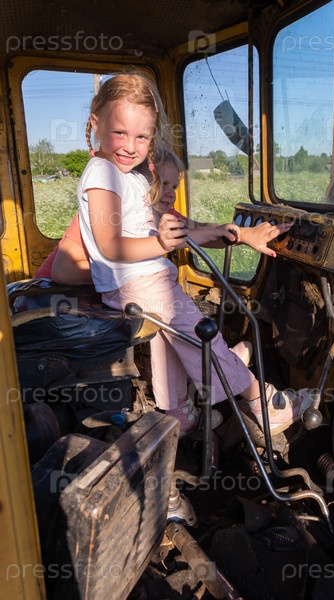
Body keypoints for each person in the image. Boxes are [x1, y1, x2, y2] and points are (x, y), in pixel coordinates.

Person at [52, 71, 314, 436]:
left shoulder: (131, 177)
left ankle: (179, 413)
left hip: (141, 284)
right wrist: (161, 245)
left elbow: (181, 227)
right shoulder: (101, 173)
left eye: (142, 137)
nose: (130, 146)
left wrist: (236, 234)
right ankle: (265, 404)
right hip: (140, 283)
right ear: (95, 124)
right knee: (205, 340)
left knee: (169, 344)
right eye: (120, 133)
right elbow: (110, 244)